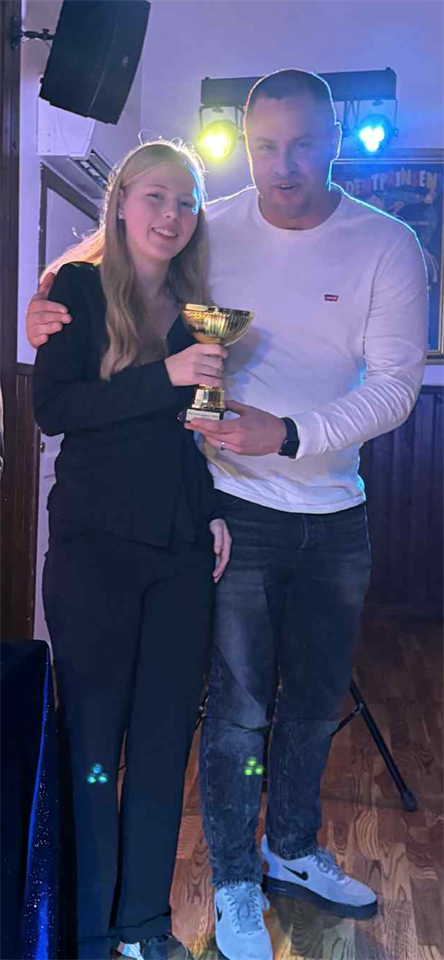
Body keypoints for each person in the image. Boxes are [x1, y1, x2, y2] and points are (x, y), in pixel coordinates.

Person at [27, 70, 428, 960]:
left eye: (304, 144)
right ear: (245, 145)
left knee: (298, 708)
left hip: (303, 512)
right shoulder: (188, 243)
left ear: (336, 139)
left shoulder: (380, 244)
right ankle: (217, 887)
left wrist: (282, 440)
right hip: (198, 518)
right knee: (220, 716)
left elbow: (397, 385)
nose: (284, 165)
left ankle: (272, 859)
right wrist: (47, 297)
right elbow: (92, 334)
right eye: (265, 146)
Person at [31, 140, 231, 960]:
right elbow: (54, 410)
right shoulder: (74, 291)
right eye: (156, 197)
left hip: (181, 553)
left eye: (186, 202)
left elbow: (195, 433)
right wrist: (168, 373)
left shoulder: (200, 312)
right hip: (94, 550)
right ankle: (86, 930)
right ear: (120, 203)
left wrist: (212, 511)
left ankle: (144, 925)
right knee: (93, 743)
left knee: (160, 742)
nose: (171, 216)